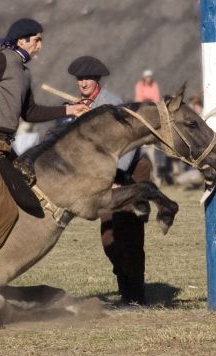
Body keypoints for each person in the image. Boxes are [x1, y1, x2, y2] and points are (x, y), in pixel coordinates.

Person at [0, 18, 87, 303]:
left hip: (4, 147)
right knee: (4, 209)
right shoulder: (1, 59)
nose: (40, 45)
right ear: (21, 40)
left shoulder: (23, 72)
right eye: (36, 39)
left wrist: (69, 109)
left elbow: (31, 112)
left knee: (29, 191)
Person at [68, 56, 153, 304]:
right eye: (80, 79)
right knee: (109, 239)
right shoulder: (81, 106)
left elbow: (126, 144)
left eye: (88, 79)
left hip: (130, 171)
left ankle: (135, 296)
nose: (83, 83)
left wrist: (117, 176)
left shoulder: (111, 104)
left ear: (98, 80)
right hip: (105, 176)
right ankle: (126, 287)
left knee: (128, 234)